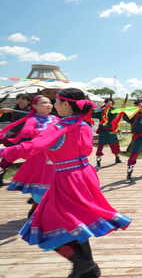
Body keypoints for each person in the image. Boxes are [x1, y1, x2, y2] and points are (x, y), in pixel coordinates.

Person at [0, 88, 131, 278]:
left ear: (66, 105)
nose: (54, 106)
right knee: (76, 223)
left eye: (57, 102)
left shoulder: (58, 127)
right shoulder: (84, 125)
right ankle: (88, 269)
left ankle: (82, 263)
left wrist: (4, 153)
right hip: (85, 174)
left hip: (66, 177)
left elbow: (33, 147)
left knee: (45, 226)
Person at [3, 96, 58, 217]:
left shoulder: (55, 118)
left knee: (54, 182)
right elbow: (26, 132)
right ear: (35, 106)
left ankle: (46, 207)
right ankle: (37, 207)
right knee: (40, 180)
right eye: (44, 102)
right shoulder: (33, 119)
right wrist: (44, 133)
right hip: (39, 156)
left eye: (50, 102)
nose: (48, 104)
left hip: (54, 156)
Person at [0, 93, 32, 186]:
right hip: (16, 138)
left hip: (30, 140)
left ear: (28, 101)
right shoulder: (14, 109)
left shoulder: (33, 110)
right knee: (7, 158)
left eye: (23, 100)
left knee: (34, 160)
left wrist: (12, 110)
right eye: (18, 100)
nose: (20, 102)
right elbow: (3, 119)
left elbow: (30, 114)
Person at [92, 98, 122, 168]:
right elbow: (93, 114)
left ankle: (117, 158)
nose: (109, 104)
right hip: (103, 131)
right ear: (105, 103)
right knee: (100, 146)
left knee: (115, 145)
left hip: (111, 131)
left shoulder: (114, 111)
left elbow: (116, 118)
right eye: (108, 103)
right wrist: (91, 108)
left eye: (110, 103)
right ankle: (98, 162)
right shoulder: (101, 111)